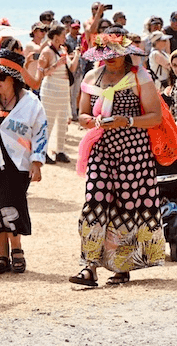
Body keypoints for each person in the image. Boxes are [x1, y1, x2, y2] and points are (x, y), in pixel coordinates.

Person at [70, 28, 165, 287]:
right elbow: (81, 114)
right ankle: (89, 267)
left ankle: (121, 266)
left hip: (134, 151)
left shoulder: (139, 77)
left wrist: (128, 121)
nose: (110, 57)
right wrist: (91, 121)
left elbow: (155, 116)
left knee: (126, 207)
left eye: (114, 52)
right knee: (94, 200)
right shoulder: (92, 75)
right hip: (101, 148)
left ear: (125, 52)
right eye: (105, 52)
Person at [0, 49, 47, 274]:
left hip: (17, 162)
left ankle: (17, 249)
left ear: (13, 79)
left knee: (12, 205)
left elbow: (41, 132)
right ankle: (2, 256)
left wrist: (37, 162)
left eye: (1, 77)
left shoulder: (31, 102)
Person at [37, 25, 80, 164]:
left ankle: (60, 150)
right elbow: (42, 73)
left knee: (62, 121)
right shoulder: (47, 51)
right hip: (50, 88)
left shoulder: (62, 50)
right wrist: (56, 65)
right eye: (63, 35)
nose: (65, 37)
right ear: (56, 37)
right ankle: (44, 151)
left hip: (63, 88)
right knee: (48, 121)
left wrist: (77, 55)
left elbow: (72, 68)